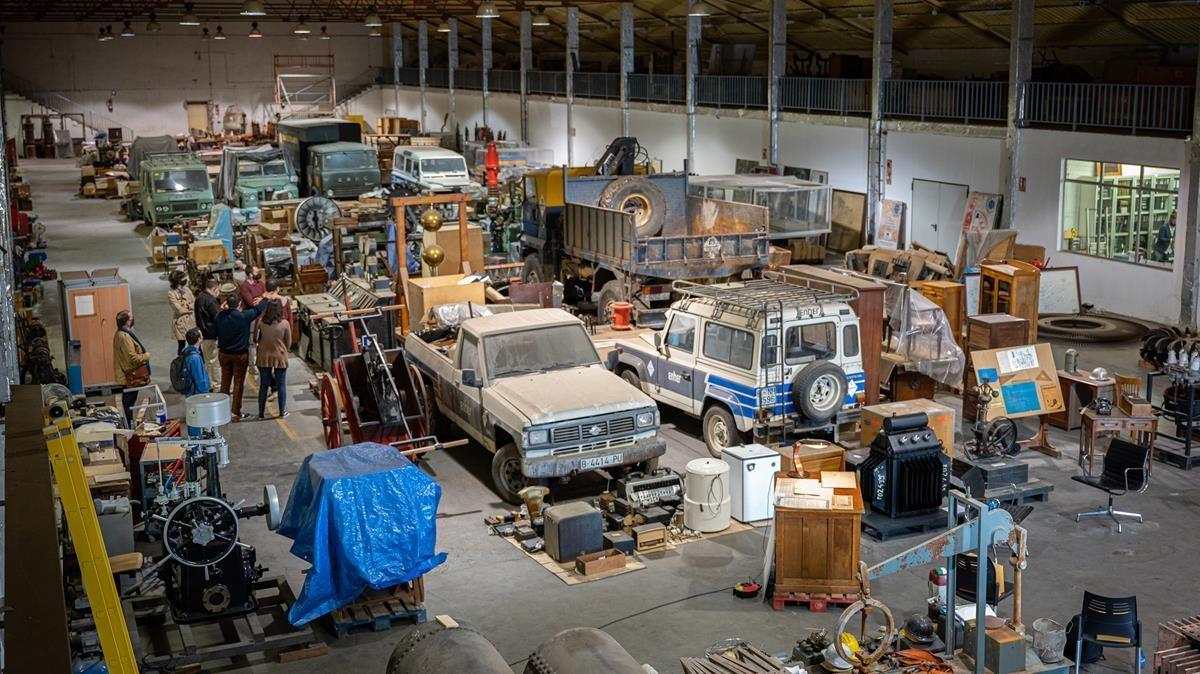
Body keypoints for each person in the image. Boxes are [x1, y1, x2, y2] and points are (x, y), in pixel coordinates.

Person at [216, 291, 267, 421]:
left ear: (226, 303)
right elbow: (258, 309)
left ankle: (221, 411)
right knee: (238, 383)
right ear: (239, 304)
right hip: (240, 355)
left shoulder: (220, 316)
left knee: (225, 382)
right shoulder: (243, 317)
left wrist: (222, 310)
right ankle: (235, 412)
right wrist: (265, 297)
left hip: (224, 354)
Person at [113, 310, 151, 425]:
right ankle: (129, 425)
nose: (133, 320)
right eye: (131, 318)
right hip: (130, 375)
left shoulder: (123, 333)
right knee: (129, 401)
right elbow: (132, 358)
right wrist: (146, 356)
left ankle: (128, 423)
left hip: (129, 373)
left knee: (129, 400)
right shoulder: (124, 337)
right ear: (127, 322)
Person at [256, 299, 292, 419]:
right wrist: (283, 349)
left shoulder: (261, 322)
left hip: (263, 356)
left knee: (263, 385)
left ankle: (261, 413)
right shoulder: (284, 324)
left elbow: (256, 338)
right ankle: (282, 412)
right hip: (279, 355)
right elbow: (289, 342)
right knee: (281, 385)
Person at [193, 277, 222, 383]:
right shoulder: (211, 300)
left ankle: (208, 383)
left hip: (203, 334)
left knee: (208, 361)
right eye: (218, 290)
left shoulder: (200, 297)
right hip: (211, 336)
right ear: (214, 289)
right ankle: (217, 385)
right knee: (215, 362)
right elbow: (218, 317)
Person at [168, 270, 197, 355]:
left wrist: (186, 306)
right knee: (182, 346)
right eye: (183, 278)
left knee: (194, 344)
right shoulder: (171, 293)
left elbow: (194, 303)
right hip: (181, 323)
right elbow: (179, 310)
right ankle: (182, 364)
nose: (186, 279)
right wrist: (189, 306)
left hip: (191, 321)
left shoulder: (187, 289)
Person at [178, 327, 210, 396]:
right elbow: (200, 379)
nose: (203, 337)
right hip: (197, 395)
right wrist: (205, 393)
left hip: (189, 392)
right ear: (198, 339)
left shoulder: (185, 351)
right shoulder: (195, 358)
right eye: (201, 335)